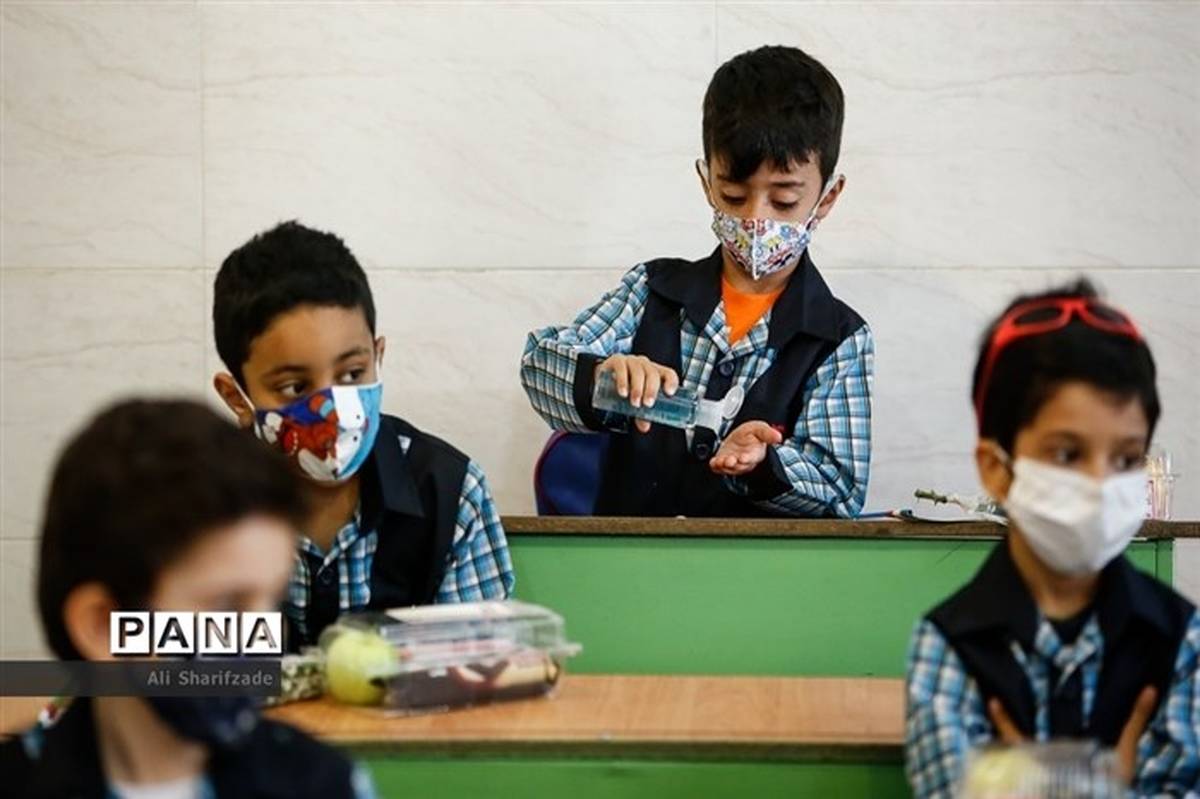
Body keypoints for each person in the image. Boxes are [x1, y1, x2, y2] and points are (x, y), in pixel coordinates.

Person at [520, 45, 873, 517]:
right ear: (708, 182)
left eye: (784, 200)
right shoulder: (652, 290)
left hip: (752, 563)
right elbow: (540, 364)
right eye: (734, 195)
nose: (756, 219)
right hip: (630, 556)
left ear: (827, 197)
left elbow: (840, 490)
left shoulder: (838, 338)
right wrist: (604, 376)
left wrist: (765, 464)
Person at [905, 281, 1199, 797]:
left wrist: (1033, 785)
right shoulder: (949, 645)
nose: (1101, 483)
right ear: (997, 469)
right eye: (1067, 454)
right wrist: (1109, 786)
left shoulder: (1182, 640)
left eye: (1126, 458)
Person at [2, 399, 375, 798]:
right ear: (103, 626)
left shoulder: (322, 783)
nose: (262, 638)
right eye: (227, 605)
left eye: (270, 603)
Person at [212, 221, 513, 648]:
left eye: (353, 374)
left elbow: (480, 664)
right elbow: (164, 667)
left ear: (378, 356)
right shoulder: (199, 506)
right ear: (237, 397)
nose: (331, 408)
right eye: (295, 387)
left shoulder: (451, 493)